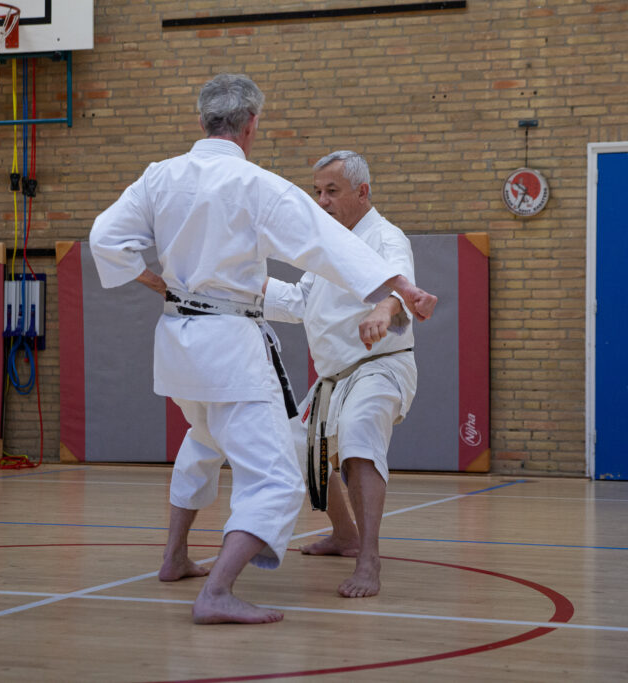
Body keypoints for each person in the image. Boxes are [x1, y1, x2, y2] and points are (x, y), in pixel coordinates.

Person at [88, 75, 437, 625]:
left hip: (178, 345)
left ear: (202, 121)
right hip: (230, 350)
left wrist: (154, 281)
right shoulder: (256, 184)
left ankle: (176, 558)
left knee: (202, 440)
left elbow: (105, 237)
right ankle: (219, 592)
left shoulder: (158, 178)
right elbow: (326, 247)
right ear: (252, 125)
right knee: (277, 476)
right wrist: (401, 287)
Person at [264, 151, 417, 598]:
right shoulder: (328, 246)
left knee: (356, 433)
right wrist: (242, 284)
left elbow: (400, 284)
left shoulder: (386, 237)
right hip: (333, 379)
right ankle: (345, 534)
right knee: (292, 445)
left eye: (332, 191)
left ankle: (369, 559)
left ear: (362, 192)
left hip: (380, 367)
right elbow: (297, 303)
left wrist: (385, 309)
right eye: (317, 191)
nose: (322, 200)